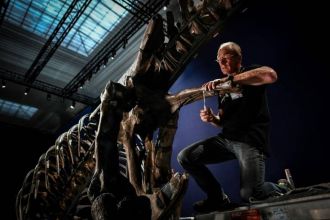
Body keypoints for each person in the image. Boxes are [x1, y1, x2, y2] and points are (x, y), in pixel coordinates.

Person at [177, 41, 285, 213]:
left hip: (248, 141)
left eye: (226, 58)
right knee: (186, 156)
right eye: (219, 60)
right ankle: (217, 198)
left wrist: (229, 79)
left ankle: (282, 188)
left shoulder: (251, 73)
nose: (222, 63)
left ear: (239, 58)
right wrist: (212, 118)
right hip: (226, 140)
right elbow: (222, 121)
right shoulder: (222, 89)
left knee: (250, 194)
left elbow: (270, 75)